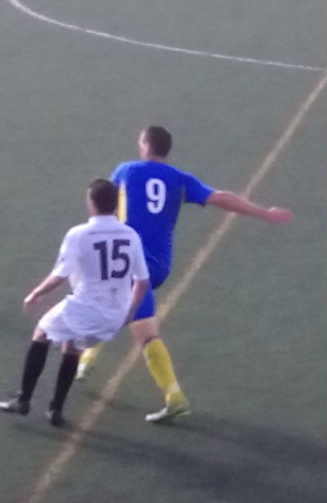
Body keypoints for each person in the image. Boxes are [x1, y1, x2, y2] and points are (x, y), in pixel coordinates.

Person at [75, 125, 292, 423]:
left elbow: (103, 205)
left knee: (141, 328)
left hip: (131, 263)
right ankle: (87, 360)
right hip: (160, 266)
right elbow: (220, 197)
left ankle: (173, 396)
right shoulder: (179, 179)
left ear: (146, 146)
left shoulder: (126, 170)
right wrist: (264, 212)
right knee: (116, 298)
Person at [0, 178, 150, 427]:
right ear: (115, 205)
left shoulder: (79, 234)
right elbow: (142, 281)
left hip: (86, 307)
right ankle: (55, 410)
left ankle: (24, 399)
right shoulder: (131, 234)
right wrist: (130, 312)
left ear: (91, 203)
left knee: (41, 332)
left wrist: (35, 293)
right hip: (115, 314)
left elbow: (60, 274)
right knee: (72, 346)